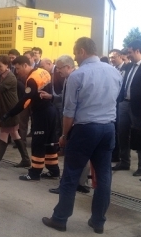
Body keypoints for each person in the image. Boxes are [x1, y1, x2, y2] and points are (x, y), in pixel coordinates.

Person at [42, 37, 122, 234]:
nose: (76, 58)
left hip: (85, 129)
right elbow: (116, 99)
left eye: (76, 53)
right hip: (108, 128)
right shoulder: (114, 72)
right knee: (103, 176)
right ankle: (98, 221)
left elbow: (69, 112)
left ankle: (60, 219)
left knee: (71, 174)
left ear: (83, 51)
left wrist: (64, 135)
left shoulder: (78, 76)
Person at [2, 56, 60, 180]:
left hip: (41, 114)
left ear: (25, 65)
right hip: (51, 111)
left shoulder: (31, 79)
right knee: (49, 142)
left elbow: (25, 100)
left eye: (18, 69)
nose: (17, 72)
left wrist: (10, 113)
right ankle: (53, 170)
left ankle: (34, 172)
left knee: (38, 143)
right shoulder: (43, 72)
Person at [42, 55, 90, 194]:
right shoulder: (69, 79)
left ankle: (67, 185)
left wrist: (64, 132)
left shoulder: (74, 78)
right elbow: (63, 97)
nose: (57, 71)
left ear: (68, 67)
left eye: (59, 68)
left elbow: (71, 107)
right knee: (82, 155)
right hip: (80, 122)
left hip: (75, 122)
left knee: (70, 155)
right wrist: (51, 96)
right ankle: (81, 183)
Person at [113, 40, 141, 177]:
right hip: (124, 104)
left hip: (138, 107)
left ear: (137, 51)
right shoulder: (129, 67)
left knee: (139, 136)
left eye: (130, 52)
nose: (128, 55)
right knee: (122, 133)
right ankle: (124, 161)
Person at [39, 58, 65, 139]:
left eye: (43, 67)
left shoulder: (59, 73)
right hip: (53, 102)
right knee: (56, 124)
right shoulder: (48, 74)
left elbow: (64, 92)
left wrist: (51, 96)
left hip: (60, 103)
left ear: (49, 64)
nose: (41, 69)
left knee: (60, 124)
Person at [109, 49, 127, 162]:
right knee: (115, 129)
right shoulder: (112, 70)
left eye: (113, 57)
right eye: (110, 58)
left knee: (120, 130)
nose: (111, 60)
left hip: (122, 103)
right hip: (113, 103)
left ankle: (121, 155)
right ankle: (114, 155)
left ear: (120, 56)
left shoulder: (126, 69)